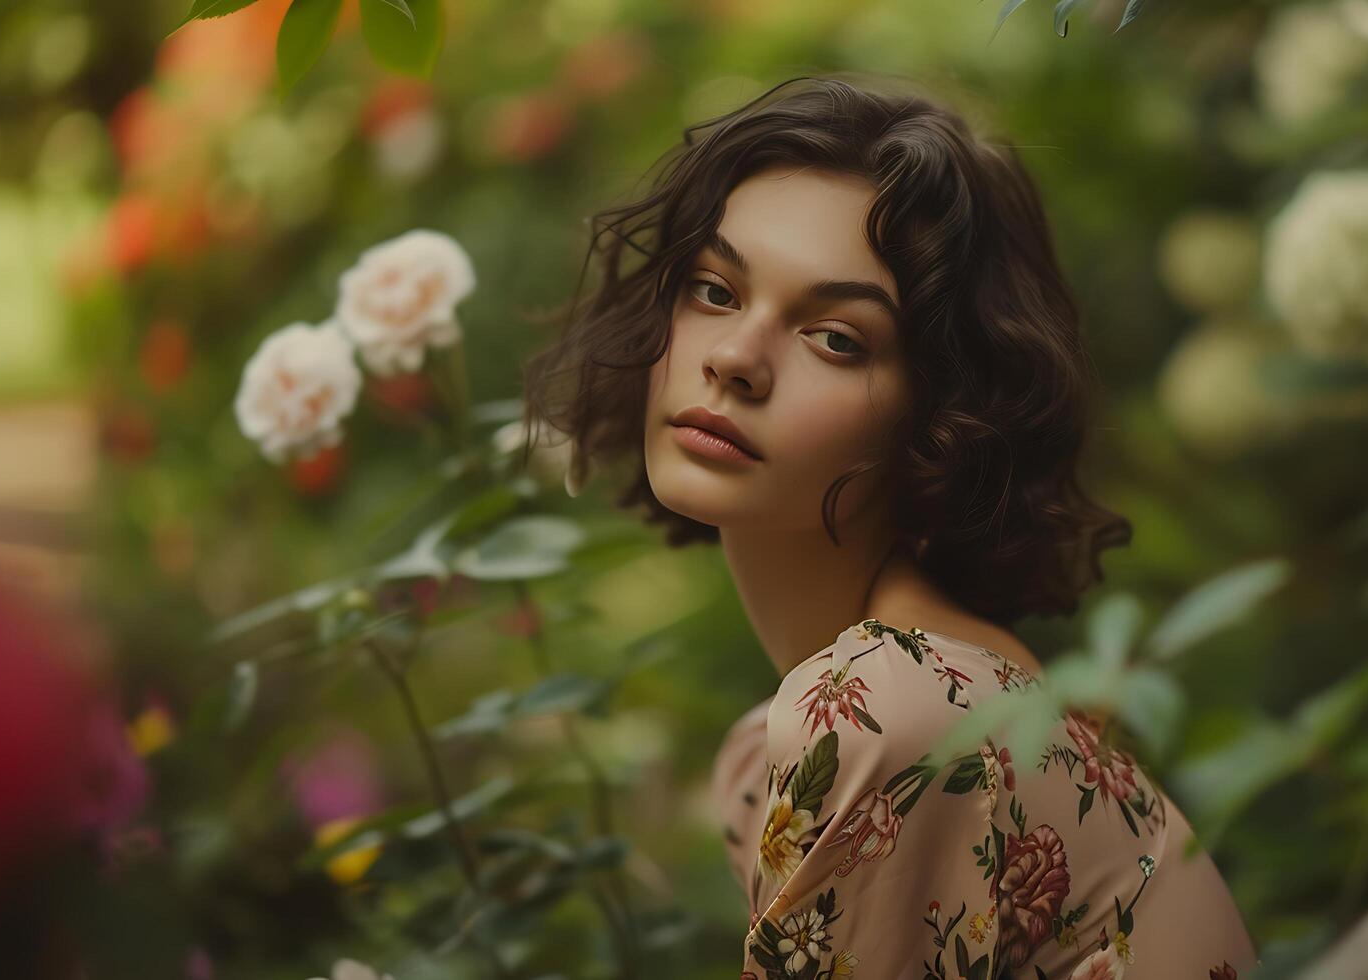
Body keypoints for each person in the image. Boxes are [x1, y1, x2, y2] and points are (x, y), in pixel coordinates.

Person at [525, 73, 1259, 979]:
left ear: (941, 417)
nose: (733, 360)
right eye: (714, 289)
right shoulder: (783, 750)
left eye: (835, 338)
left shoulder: (891, 714)